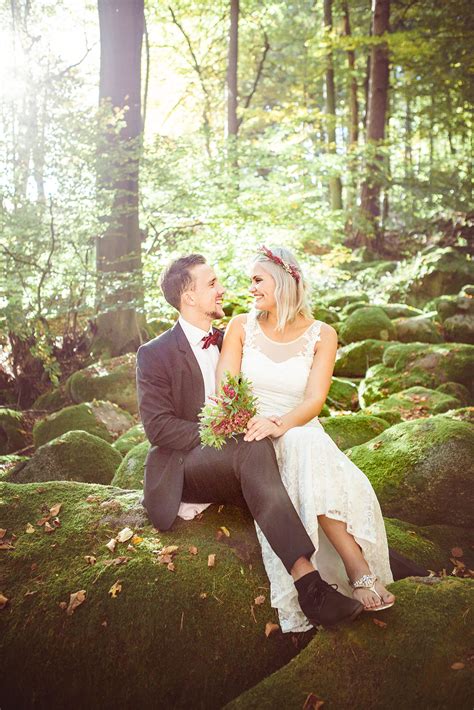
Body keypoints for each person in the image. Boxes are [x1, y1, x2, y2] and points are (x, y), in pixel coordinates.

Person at [136, 254, 364, 629]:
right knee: (254, 447)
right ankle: (308, 584)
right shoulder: (154, 353)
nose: (222, 289)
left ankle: (365, 562)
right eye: (212, 284)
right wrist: (221, 430)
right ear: (188, 296)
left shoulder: (236, 338)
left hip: (239, 461)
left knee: (292, 459)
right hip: (185, 466)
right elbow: (158, 429)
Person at [216, 246, 396, 633]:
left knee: (305, 444)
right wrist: (256, 424)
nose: (250, 288)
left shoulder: (322, 334)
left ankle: (356, 567)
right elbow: (225, 390)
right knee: (303, 449)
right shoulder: (239, 327)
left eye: (257, 279)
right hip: (252, 438)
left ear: (283, 280)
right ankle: (358, 568)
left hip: (296, 427)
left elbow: (314, 399)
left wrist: (280, 423)